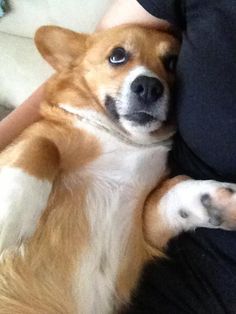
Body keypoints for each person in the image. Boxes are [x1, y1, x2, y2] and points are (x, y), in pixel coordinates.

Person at [1, 0, 236, 312]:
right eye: (118, 57)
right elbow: (35, 146)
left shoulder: (158, 168)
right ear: (76, 63)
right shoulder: (51, 142)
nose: (149, 81)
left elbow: (142, 239)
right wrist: (26, 173)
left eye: (169, 64)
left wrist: (180, 201)